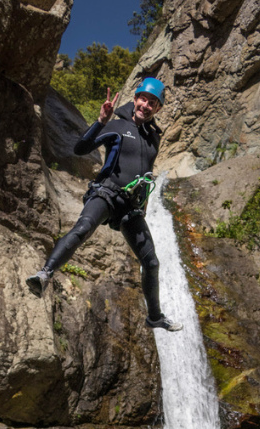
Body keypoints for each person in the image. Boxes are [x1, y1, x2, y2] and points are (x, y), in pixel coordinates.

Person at [26, 77, 183, 332]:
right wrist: (100, 121)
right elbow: (80, 148)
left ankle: (154, 317)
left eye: (152, 102)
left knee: (152, 263)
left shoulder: (154, 139)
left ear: (157, 109)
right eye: (143, 98)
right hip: (107, 194)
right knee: (83, 228)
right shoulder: (118, 126)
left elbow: (145, 172)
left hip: (131, 207)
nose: (146, 105)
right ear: (135, 100)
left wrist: (142, 207)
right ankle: (45, 274)